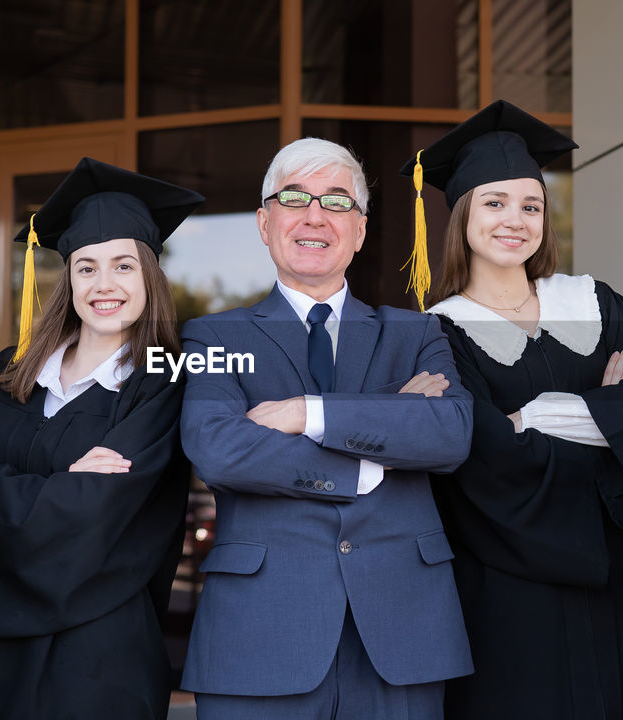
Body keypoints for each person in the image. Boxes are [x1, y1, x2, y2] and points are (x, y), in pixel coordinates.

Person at [399, 99, 623, 718]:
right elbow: (478, 454)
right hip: (504, 585)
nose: (515, 220)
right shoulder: (437, 334)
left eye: (531, 205)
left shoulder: (596, 303)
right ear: (463, 216)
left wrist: (529, 420)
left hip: (610, 573)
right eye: (494, 203)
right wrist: (607, 411)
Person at [178, 137, 474, 719]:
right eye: (295, 198)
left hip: (402, 634)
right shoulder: (212, 338)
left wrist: (306, 413)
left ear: (360, 230)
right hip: (260, 636)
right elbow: (217, 448)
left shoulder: (416, 334)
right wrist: (380, 437)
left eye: (337, 201)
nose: (315, 215)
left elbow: (450, 432)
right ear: (265, 224)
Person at [0, 158, 200, 720]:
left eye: (123, 267)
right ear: (68, 280)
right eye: (85, 268)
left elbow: (92, 527)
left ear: (149, 277)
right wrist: (53, 493)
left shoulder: (162, 383)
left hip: (89, 668)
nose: (103, 285)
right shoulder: (9, 374)